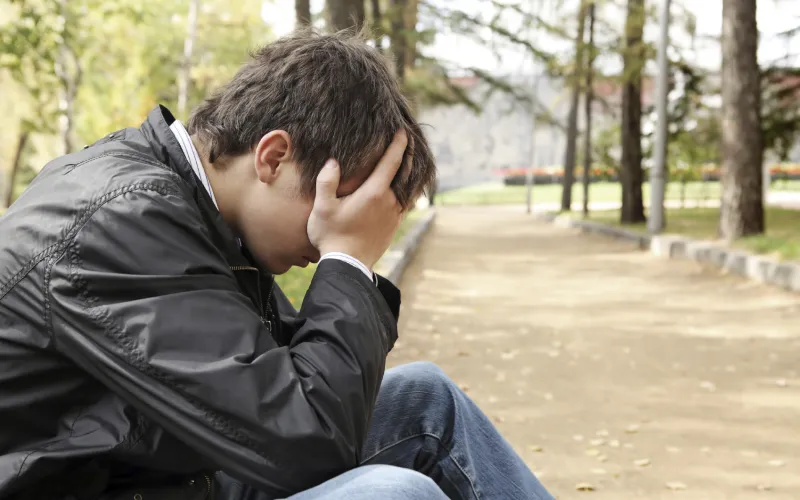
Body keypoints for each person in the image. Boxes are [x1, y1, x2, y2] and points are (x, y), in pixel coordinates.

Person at [0, 31, 554, 500]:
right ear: (273, 157)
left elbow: (287, 386)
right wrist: (348, 259)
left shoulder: (195, 210)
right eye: (334, 206)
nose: (322, 239)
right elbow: (307, 441)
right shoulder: (119, 222)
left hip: (169, 476)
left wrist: (345, 263)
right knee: (392, 494)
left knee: (426, 399)